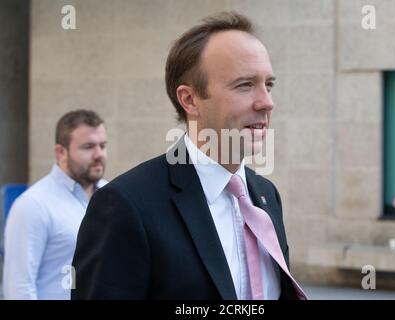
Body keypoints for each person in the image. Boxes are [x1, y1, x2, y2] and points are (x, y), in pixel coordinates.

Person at [72, 12, 306, 300]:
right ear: (190, 99)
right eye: (245, 85)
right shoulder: (125, 205)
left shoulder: (265, 194)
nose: (266, 102)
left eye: (268, 85)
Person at [2, 109, 108, 300]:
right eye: (88, 147)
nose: (98, 154)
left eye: (102, 145)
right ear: (61, 152)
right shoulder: (32, 205)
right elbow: (18, 287)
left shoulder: (112, 196)